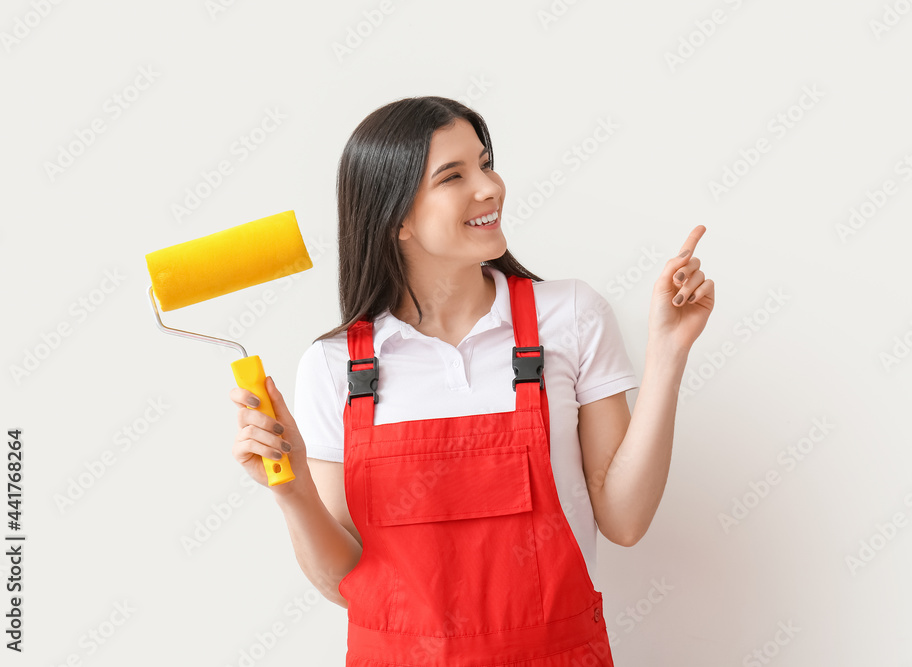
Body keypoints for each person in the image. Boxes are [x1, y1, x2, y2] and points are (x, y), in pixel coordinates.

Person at [228, 96, 714, 665]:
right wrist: (292, 493)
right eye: (453, 176)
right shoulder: (335, 367)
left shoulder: (571, 317)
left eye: (485, 163)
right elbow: (349, 582)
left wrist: (669, 352)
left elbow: (625, 520)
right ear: (397, 218)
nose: (489, 187)